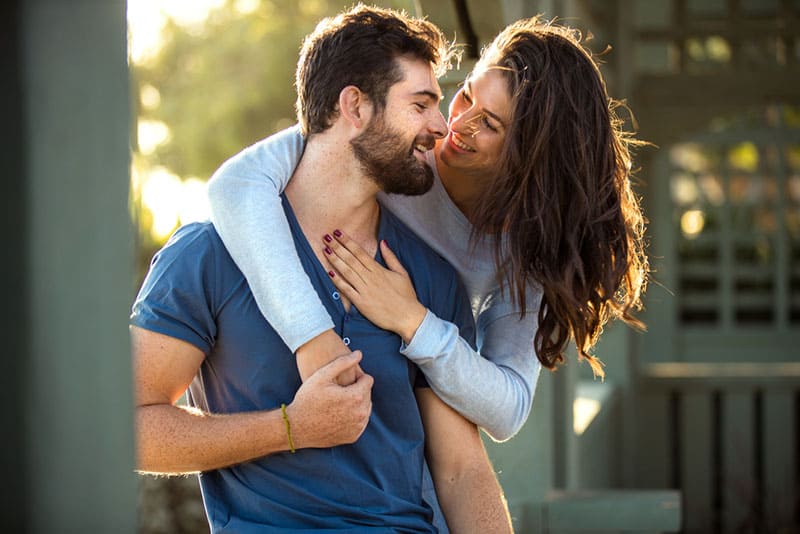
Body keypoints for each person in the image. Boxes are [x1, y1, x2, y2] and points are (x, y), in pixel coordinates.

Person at [131, 5, 512, 533]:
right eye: (421, 105)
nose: (441, 126)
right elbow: (133, 427)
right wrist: (288, 428)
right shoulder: (206, 255)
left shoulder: (428, 277)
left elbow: (462, 472)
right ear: (354, 106)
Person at [207, 15, 650, 441]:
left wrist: (411, 319)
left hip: (399, 411)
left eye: (490, 124)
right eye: (467, 95)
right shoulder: (395, 141)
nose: (455, 125)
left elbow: (509, 409)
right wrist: (312, 339)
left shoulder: (521, 246)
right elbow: (235, 184)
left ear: (530, 154)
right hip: (301, 372)